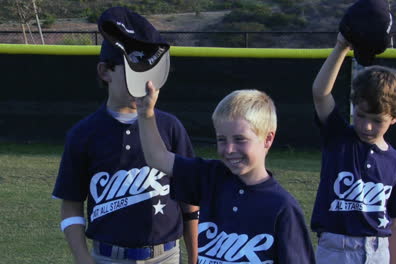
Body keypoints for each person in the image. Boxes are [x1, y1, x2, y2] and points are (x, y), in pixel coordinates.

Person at [52, 7, 198, 264]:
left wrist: (195, 258)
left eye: (146, 72)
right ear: (104, 71)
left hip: (165, 256)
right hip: (108, 257)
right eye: (132, 71)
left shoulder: (170, 127)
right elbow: (71, 204)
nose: (143, 83)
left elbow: (190, 202)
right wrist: (83, 259)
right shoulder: (83, 134)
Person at [136, 85, 315, 263]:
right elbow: (157, 157)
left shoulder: (282, 207)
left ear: (268, 139)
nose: (229, 149)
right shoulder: (210, 177)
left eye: (240, 139)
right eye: (222, 139)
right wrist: (146, 115)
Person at [310, 32, 396, 264]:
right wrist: (340, 47)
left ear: (395, 118)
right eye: (360, 115)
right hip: (335, 251)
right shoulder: (338, 137)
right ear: (353, 106)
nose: (366, 126)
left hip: (378, 251)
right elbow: (320, 93)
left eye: (377, 120)